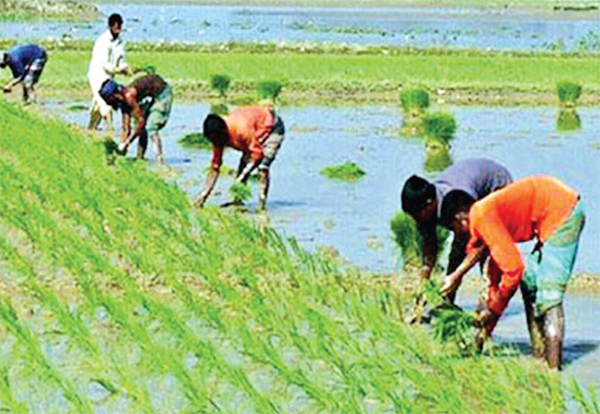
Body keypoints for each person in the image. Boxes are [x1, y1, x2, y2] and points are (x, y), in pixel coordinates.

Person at [440, 176, 585, 370]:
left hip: (563, 213)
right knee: (530, 281)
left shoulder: (482, 217)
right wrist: (484, 332)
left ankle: (553, 374)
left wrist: (493, 309)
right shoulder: (485, 219)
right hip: (550, 214)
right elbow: (497, 281)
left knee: (549, 296)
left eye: (454, 229)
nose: (456, 235)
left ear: (460, 219)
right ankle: (539, 356)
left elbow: (513, 269)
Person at [401, 158, 512, 300]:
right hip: (469, 189)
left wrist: (457, 274)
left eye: (416, 215)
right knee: (456, 254)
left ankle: (492, 303)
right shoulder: (424, 209)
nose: (416, 220)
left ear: (430, 204)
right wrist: (425, 277)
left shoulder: (457, 201)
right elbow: (430, 246)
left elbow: (480, 243)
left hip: (496, 187)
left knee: (487, 255)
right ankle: (448, 301)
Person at [195, 105, 285, 210]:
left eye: (217, 140)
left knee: (262, 167)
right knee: (243, 166)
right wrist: (204, 195)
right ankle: (237, 201)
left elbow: (257, 154)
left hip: (272, 127)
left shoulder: (240, 130)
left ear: (223, 133)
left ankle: (262, 206)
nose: (217, 144)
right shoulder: (217, 139)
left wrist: (242, 176)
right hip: (253, 133)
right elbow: (215, 168)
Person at [98, 74, 173, 165]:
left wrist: (128, 142)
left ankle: (160, 161)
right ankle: (140, 158)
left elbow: (141, 123)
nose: (109, 103)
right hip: (150, 96)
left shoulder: (129, 96)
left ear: (116, 95)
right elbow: (126, 128)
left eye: (109, 100)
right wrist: (122, 146)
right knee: (142, 129)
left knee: (150, 126)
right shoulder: (123, 101)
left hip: (162, 93)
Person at [88, 13, 131, 131]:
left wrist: (126, 68)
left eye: (120, 26)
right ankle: (110, 132)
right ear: (111, 26)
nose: (118, 28)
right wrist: (119, 70)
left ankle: (91, 129)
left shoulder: (120, 42)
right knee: (106, 108)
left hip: (109, 79)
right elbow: (105, 64)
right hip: (97, 77)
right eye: (116, 26)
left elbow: (121, 59)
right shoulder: (103, 41)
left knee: (98, 106)